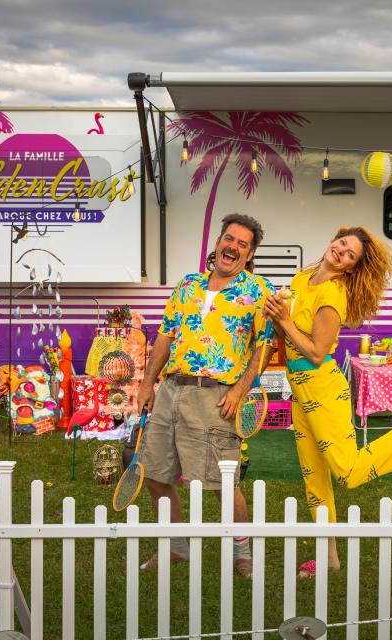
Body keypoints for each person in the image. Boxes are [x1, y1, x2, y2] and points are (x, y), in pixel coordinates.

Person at [264, 226, 392, 578]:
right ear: (332, 240)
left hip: (322, 388)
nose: (341, 251)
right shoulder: (304, 277)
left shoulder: (333, 295)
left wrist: (285, 321)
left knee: (347, 472)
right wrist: (276, 318)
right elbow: (286, 334)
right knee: (314, 479)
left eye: (350, 254)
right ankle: (330, 558)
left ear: (351, 268)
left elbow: (318, 353)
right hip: (299, 388)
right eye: (342, 243)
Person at [135, 213, 275, 577]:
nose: (233, 247)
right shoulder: (187, 285)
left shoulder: (258, 291)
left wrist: (242, 390)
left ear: (249, 254)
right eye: (229, 238)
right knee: (156, 474)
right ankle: (175, 548)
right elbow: (165, 336)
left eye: (243, 244)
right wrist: (148, 383)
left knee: (221, 482)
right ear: (218, 243)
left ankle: (242, 554)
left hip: (214, 398)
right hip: (170, 392)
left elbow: (265, 346)